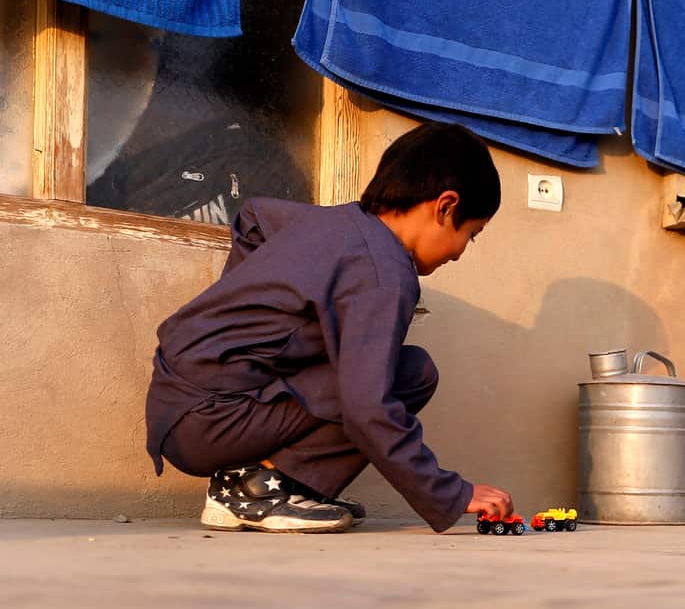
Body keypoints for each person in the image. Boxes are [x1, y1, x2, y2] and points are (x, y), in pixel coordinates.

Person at [144, 121, 514, 533]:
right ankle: (257, 489)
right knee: (411, 374)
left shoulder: (334, 224)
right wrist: (450, 493)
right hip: (210, 423)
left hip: (177, 404)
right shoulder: (383, 273)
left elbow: (253, 217)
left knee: (379, 371)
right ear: (445, 207)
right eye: (471, 234)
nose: (460, 253)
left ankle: (276, 484)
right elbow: (368, 410)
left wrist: (249, 312)